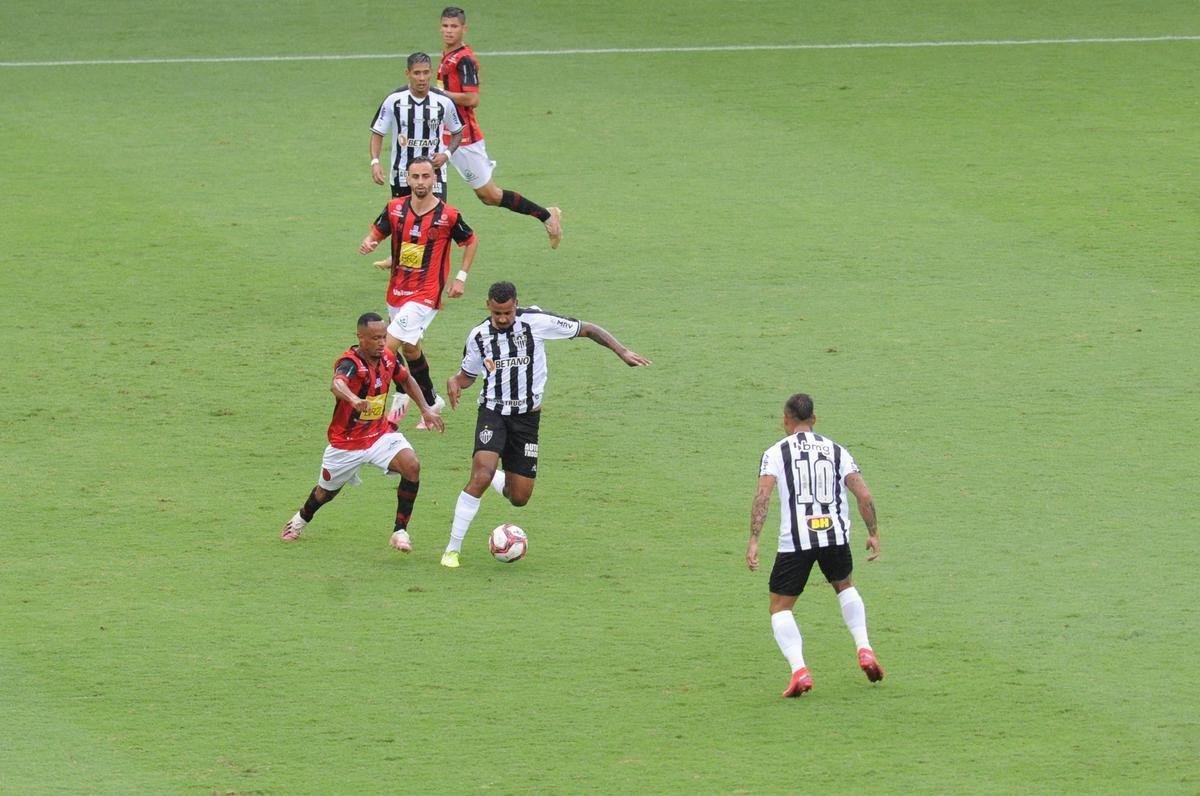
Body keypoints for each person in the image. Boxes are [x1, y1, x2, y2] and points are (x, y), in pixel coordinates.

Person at [438, 280, 651, 567]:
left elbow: (588, 329)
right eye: (497, 313)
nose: (502, 319)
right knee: (480, 474)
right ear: (488, 306)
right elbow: (468, 376)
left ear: (516, 305)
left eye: (508, 313)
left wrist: (622, 351)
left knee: (519, 497)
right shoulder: (478, 336)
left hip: (527, 419)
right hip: (493, 413)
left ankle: (496, 478)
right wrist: (455, 381)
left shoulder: (536, 323)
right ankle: (452, 550)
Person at [745, 393, 884, 697]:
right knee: (845, 587)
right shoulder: (837, 450)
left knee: (780, 607)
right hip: (835, 535)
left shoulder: (775, 452)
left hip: (795, 542)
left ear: (785, 420)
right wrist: (873, 533)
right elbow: (863, 495)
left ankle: (800, 670)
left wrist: (754, 539)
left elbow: (763, 497)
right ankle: (864, 648)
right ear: (814, 419)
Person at [280, 312, 445, 551]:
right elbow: (337, 384)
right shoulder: (350, 363)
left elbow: (406, 379)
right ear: (360, 337)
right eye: (375, 338)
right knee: (326, 493)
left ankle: (399, 531)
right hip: (346, 443)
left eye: (384, 337)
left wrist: (426, 409)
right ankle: (300, 520)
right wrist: (354, 399)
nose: (381, 343)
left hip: (379, 434)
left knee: (412, 466)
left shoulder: (388, 358)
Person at [359, 156, 478, 429]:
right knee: (411, 350)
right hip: (397, 291)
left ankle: (374, 413)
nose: (421, 182)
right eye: (416, 177)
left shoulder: (448, 215)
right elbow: (378, 233)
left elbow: (471, 241)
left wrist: (460, 278)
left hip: (425, 294)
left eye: (426, 176)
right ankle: (431, 401)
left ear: (435, 178)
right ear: (407, 178)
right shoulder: (395, 208)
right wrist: (370, 242)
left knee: (383, 349)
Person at [437, 7, 564, 249]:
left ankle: (547, 216)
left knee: (490, 196)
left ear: (464, 29)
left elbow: (472, 99)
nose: (449, 31)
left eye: (454, 26)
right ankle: (409, 246)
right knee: (423, 180)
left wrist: (440, 94)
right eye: (445, 26)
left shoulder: (465, 60)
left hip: (464, 139)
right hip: (443, 134)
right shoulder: (448, 55)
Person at [370, 52, 464, 200]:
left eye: (426, 72)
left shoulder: (444, 101)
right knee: (402, 215)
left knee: (435, 214)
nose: (422, 78)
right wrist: (375, 162)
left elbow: (457, 132)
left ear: (431, 73)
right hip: (402, 174)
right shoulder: (393, 100)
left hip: (435, 173)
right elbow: (378, 133)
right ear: (407, 73)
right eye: (417, 73)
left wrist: (446, 155)